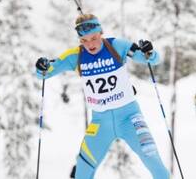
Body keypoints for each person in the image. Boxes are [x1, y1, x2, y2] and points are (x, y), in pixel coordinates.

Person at [35, 14, 169, 179]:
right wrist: (42, 67)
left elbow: (151, 59)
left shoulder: (117, 45)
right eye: (84, 40)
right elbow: (45, 73)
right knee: (82, 172)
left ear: (101, 33)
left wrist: (149, 52)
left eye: (94, 38)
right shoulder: (75, 56)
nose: (90, 44)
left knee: (155, 164)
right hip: (100, 124)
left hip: (130, 118)